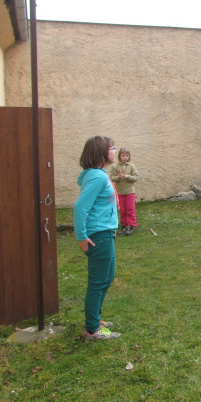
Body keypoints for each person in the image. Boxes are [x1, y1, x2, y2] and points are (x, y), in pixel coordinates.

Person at [74, 136, 122, 340]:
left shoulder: (98, 174)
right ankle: (92, 329)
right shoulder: (97, 177)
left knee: (107, 277)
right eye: (112, 148)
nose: (115, 151)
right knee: (98, 281)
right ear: (101, 152)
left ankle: (94, 319)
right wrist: (81, 236)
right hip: (98, 235)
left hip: (105, 233)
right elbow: (80, 207)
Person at [109, 147, 139, 235]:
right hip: (120, 192)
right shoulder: (115, 167)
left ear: (129, 156)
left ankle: (132, 225)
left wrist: (128, 177)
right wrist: (118, 177)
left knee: (130, 209)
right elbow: (112, 178)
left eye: (127, 155)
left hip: (130, 191)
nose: (125, 157)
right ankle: (124, 226)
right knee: (122, 210)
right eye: (123, 155)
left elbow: (135, 177)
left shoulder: (132, 166)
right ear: (119, 156)